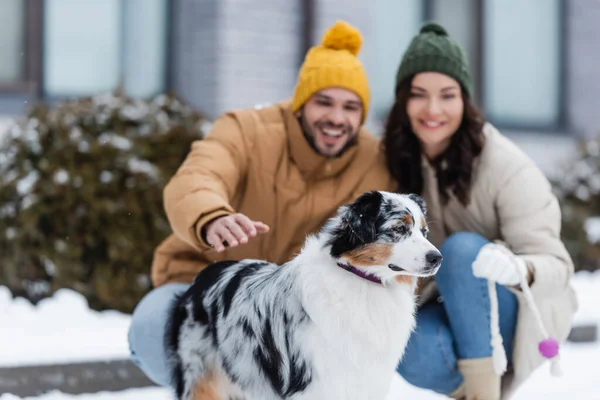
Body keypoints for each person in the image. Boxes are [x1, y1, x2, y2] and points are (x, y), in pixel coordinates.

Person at [127, 20, 395, 388]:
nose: (336, 118)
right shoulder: (245, 130)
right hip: (203, 289)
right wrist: (210, 217)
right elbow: (196, 177)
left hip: (299, 309)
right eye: (324, 102)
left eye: (350, 107)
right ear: (300, 104)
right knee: (153, 328)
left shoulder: (373, 162)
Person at [384, 22, 578, 400]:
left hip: (518, 309)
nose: (433, 109)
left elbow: (560, 266)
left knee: (462, 250)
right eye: (418, 94)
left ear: (465, 100)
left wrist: (521, 267)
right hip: (445, 302)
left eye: (448, 95)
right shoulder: (393, 158)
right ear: (402, 101)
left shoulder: (506, 167)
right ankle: (475, 390)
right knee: (410, 345)